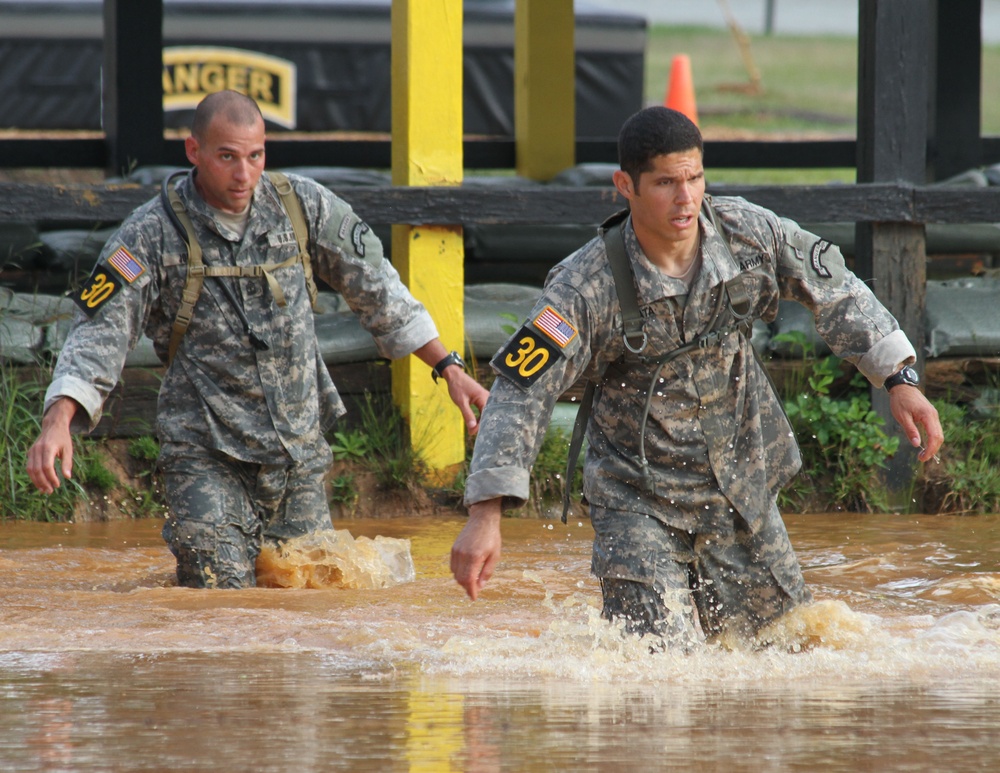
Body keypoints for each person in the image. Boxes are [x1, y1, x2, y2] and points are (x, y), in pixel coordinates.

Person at [451, 106, 943, 649]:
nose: (685, 198)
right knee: (660, 670)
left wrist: (901, 378)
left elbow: (839, 289)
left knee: (795, 650)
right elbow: (522, 391)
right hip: (637, 499)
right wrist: (485, 513)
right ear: (625, 186)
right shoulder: (582, 288)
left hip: (739, 488)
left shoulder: (749, 235)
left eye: (694, 177)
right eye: (664, 182)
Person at [27, 90, 489, 589]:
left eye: (255, 156)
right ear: (194, 151)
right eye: (227, 157)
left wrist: (450, 369)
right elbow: (99, 330)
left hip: (297, 457)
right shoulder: (148, 236)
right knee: (218, 599)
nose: (243, 175)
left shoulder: (303, 206)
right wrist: (58, 421)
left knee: (306, 601)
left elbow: (380, 292)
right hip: (205, 454)